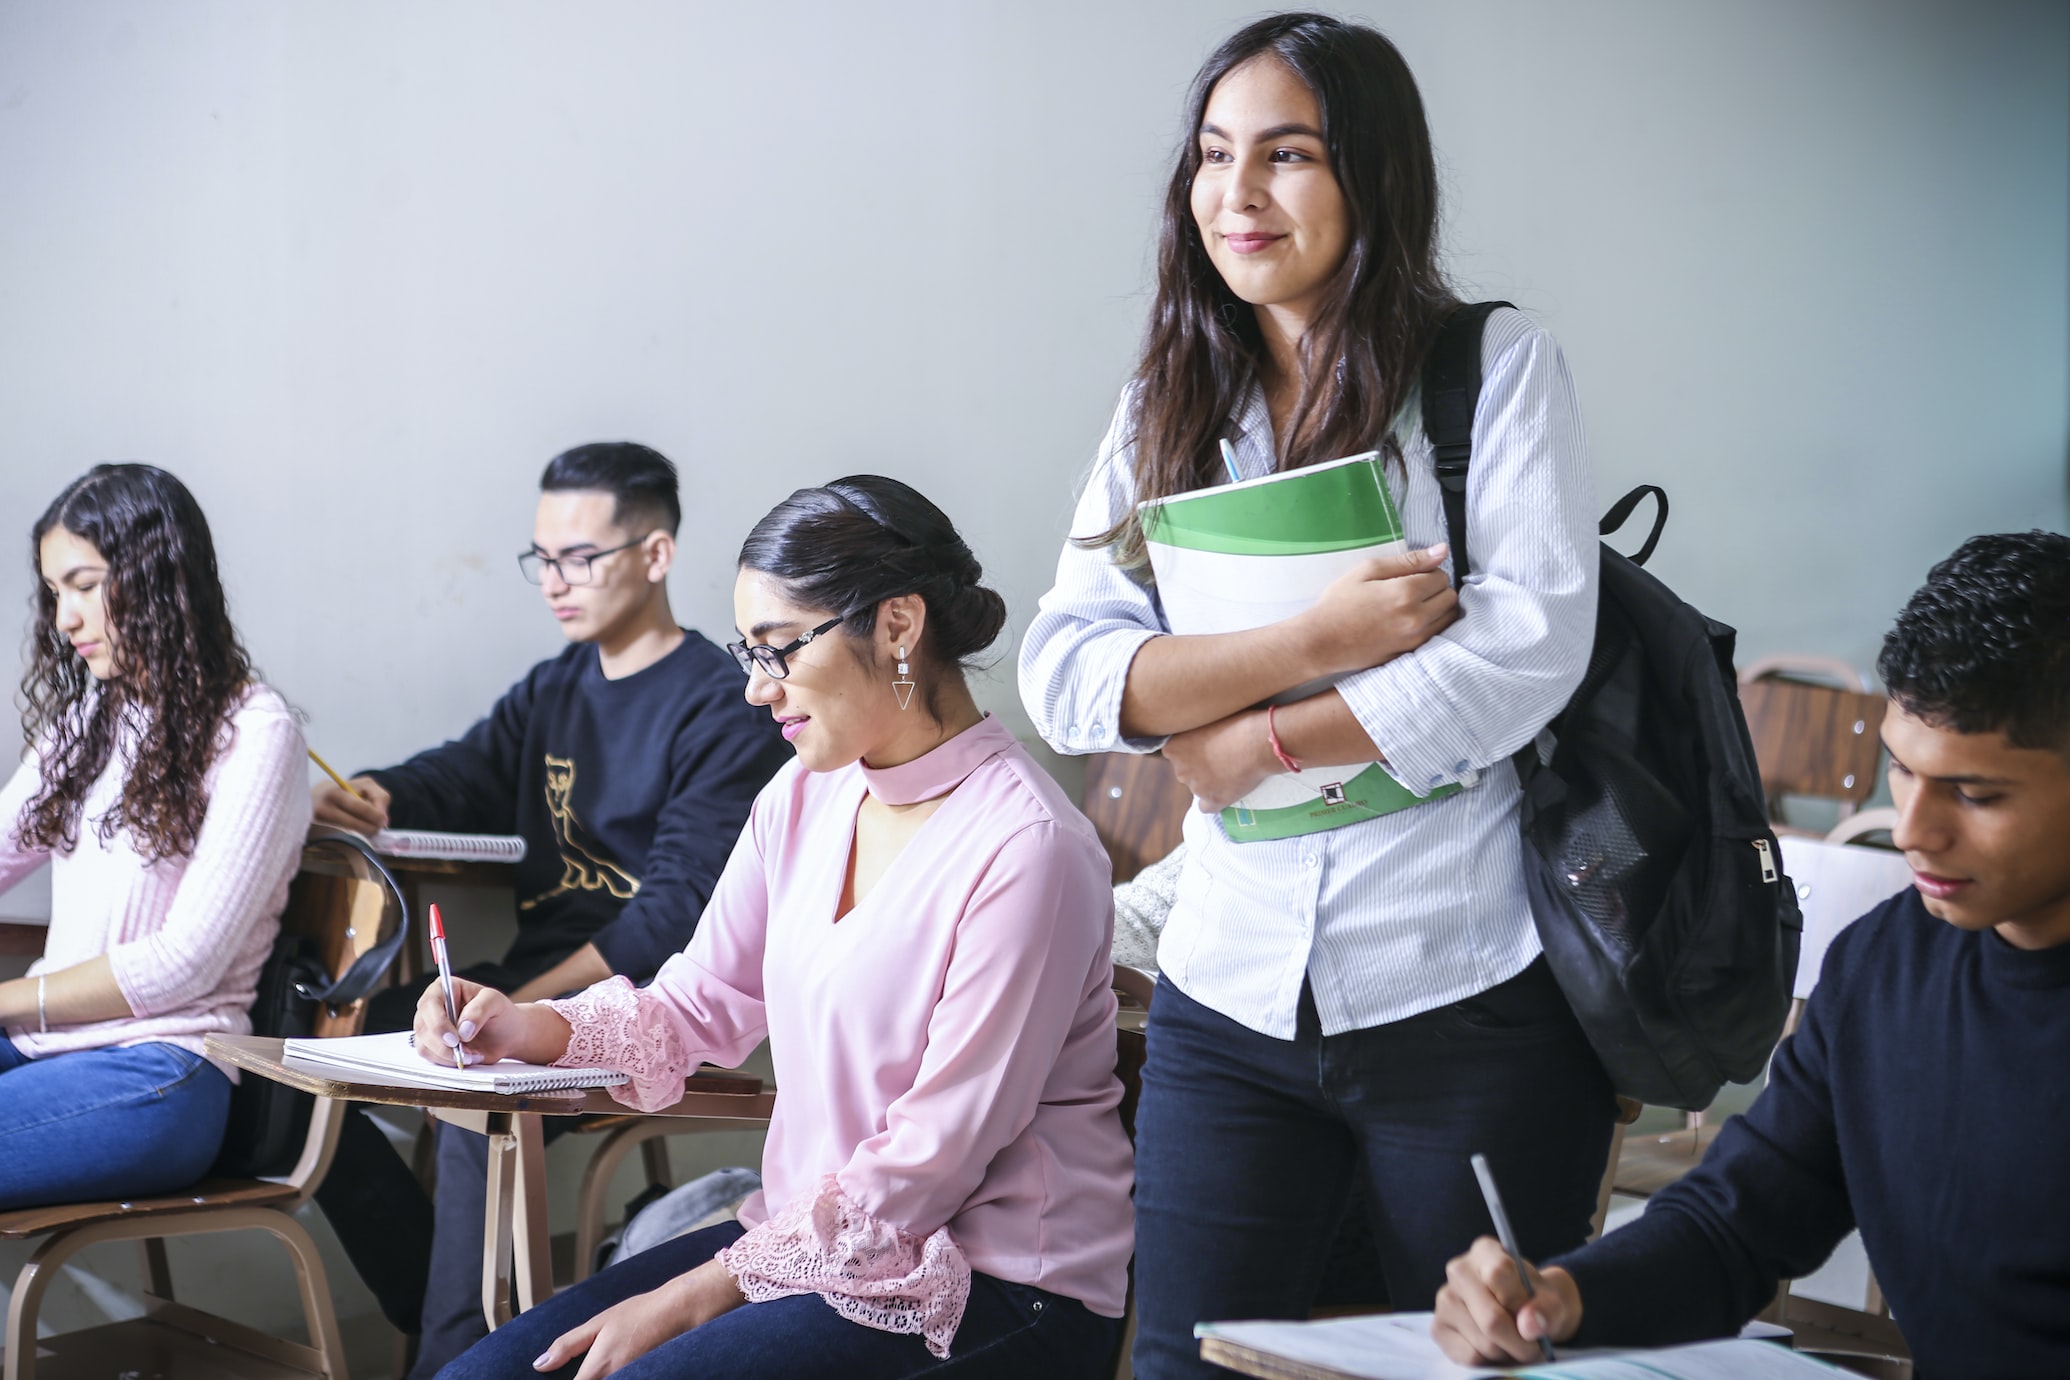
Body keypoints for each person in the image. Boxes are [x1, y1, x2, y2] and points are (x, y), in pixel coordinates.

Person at [1018, 14, 1614, 1375]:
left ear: (1370, 177)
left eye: (1286, 155)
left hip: (1461, 988)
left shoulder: (1490, 370)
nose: (1236, 194)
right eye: (1214, 156)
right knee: (1182, 1363)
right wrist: (1313, 643)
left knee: (1473, 1360)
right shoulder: (1167, 396)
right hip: (1227, 991)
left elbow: (1524, 651)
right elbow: (1066, 670)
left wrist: (1253, 740)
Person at [431, 476, 1133, 1379]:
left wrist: (692, 1293)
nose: (759, 691)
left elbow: (932, 1158)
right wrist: (524, 1026)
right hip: (809, 1248)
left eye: (778, 650)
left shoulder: (1029, 847)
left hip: (995, 1285)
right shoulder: (802, 795)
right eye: (748, 654)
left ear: (896, 624)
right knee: (479, 1377)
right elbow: (699, 1002)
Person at [1433, 530, 2070, 1380]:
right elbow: (1738, 1221)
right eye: (1903, 774)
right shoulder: (1885, 970)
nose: (1914, 831)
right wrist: (1563, 1296)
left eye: (1977, 794)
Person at [308, 442, 791, 1371]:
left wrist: (527, 1008)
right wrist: (380, 794)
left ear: (655, 554)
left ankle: (442, 1358)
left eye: (581, 558)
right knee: (321, 1043)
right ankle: (429, 1302)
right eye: (543, 560)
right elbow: (465, 772)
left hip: (644, 1004)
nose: (555, 584)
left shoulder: (719, 705)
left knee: (473, 1105)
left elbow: (671, 921)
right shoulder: (555, 687)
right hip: (533, 987)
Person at [0, 464, 309, 1208]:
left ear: (156, 574)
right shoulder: (85, 725)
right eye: (54, 593)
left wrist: (5, 1000)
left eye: (84, 584)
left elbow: (182, 965)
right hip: (42, 1051)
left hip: (159, 1071)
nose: (65, 618)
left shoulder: (256, 732)